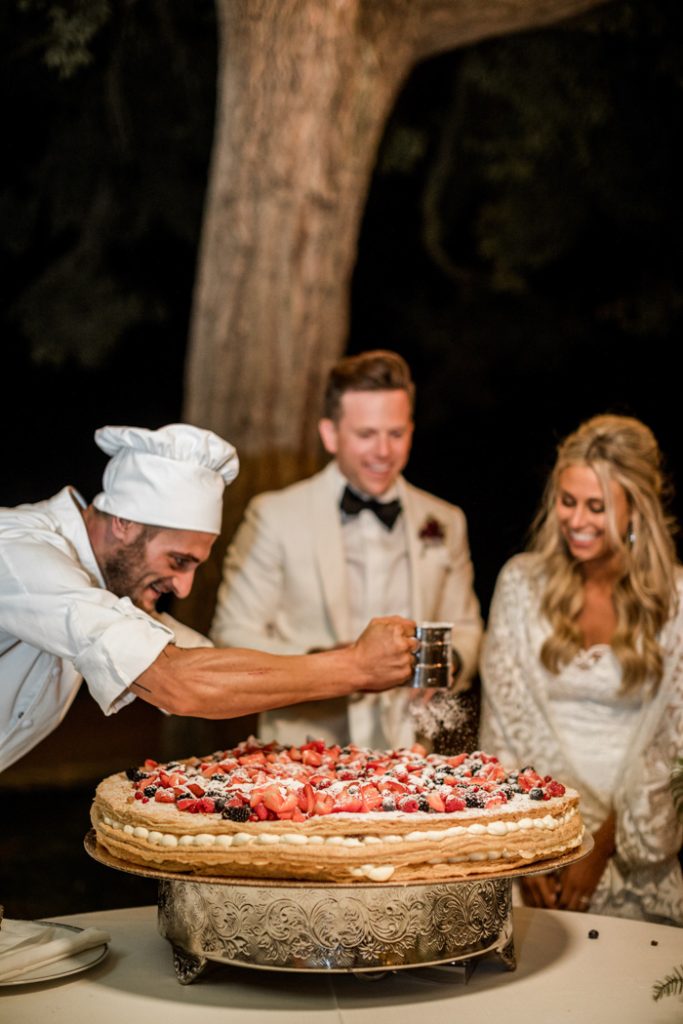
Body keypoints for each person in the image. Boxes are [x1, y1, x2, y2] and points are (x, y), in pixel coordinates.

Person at [0, 423, 418, 774]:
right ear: (124, 523)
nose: (183, 588)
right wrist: (356, 667)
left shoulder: (104, 583)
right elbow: (178, 682)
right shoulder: (18, 552)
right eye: (178, 560)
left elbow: (213, 667)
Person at [210, 350, 482, 749]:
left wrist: (450, 661)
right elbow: (231, 635)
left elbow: (469, 627)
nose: (384, 452)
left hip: (412, 751)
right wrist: (333, 664)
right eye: (366, 435)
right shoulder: (274, 515)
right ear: (330, 434)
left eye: (396, 433)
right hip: (301, 750)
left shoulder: (445, 520)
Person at [480, 414, 683, 926]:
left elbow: (672, 741)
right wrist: (531, 849)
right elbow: (502, 729)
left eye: (597, 506)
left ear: (636, 509)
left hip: (635, 844)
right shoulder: (521, 584)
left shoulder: (676, 598)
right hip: (531, 841)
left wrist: (597, 850)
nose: (577, 520)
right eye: (568, 501)